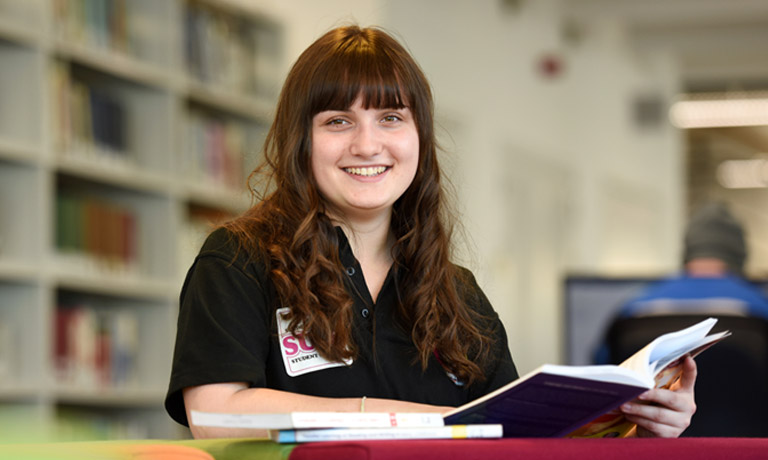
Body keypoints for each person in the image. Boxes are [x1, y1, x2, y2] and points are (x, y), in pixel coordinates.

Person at [165, 25, 696, 439]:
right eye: (337, 121)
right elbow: (216, 411)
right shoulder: (239, 260)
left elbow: (515, 435)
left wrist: (637, 421)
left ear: (419, 136)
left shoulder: (457, 292)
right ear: (299, 140)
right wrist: (401, 417)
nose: (367, 145)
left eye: (391, 118)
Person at [618, 202, 768, 319]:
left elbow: (604, 357)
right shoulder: (759, 308)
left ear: (687, 250)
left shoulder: (637, 308)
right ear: (739, 254)